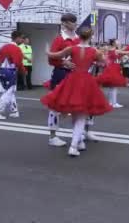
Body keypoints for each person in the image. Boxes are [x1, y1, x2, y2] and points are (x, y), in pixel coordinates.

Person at [41, 28, 112, 157]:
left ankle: (78, 141)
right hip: (86, 82)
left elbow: (53, 55)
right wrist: (100, 58)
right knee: (81, 116)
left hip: (72, 81)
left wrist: (47, 50)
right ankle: (73, 146)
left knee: (75, 114)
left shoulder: (72, 48)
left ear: (79, 36)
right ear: (91, 36)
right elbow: (105, 63)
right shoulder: (93, 51)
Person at [46, 14, 81, 147]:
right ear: (65, 23)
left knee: (78, 105)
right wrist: (63, 63)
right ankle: (52, 136)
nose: (75, 24)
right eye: (73, 22)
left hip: (77, 75)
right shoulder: (59, 40)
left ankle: (79, 133)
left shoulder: (78, 39)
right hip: (61, 74)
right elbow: (50, 59)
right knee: (55, 105)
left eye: (75, 22)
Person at [0, 31, 26, 119]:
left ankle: (14, 111)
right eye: (21, 38)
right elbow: (18, 62)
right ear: (17, 38)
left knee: (10, 91)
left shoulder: (4, 46)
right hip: (10, 71)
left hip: (2, 71)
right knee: (9, 91)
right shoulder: (16, 48)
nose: (22, 40)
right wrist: (23, 71)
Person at [96, 39, 129, 108]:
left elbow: (122, 50)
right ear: (113, 43)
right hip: (114, 68)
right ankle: (114, 103)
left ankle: (111, 102)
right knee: (114, 87)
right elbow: (124, 51)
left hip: (110, 67)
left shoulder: (109, 50)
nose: (118, 42)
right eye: (117, 42)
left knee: (112, 87)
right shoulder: (115, 50)